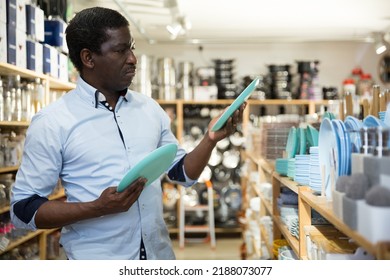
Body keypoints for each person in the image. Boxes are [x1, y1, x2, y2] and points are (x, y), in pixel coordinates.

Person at [10, 6, 245, 260]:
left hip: (159, 258)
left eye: (131, 48)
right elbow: (23, 209)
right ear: (88, 58)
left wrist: (209, 140)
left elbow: (181, 172)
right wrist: (96, 208)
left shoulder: (150, 109)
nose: (133, 58)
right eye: (121, 50)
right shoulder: (53, 121)